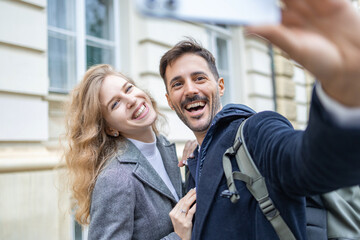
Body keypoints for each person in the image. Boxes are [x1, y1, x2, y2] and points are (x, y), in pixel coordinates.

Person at [159, 0, 360, 239]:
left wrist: (345, 98)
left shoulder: (256, 131)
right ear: (170, 101)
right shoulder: (192, 164)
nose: (190, 90)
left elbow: (313, 164)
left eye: (200, 78)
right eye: (178, 84)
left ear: (220, 86)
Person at [63, 64, 196, 240]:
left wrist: (193, 165)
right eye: (115, 103)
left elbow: (171, 203)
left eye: (129, 89)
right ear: (110, 128)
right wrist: (177, 237)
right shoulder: (115, 177)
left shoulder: (162, 146)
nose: (131, 100)